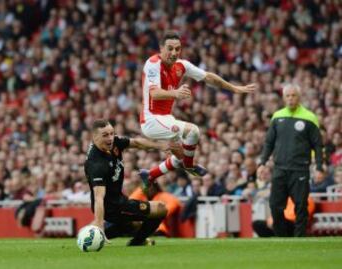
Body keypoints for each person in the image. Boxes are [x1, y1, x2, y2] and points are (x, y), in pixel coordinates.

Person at [139, 30, 256, 186]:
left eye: (177, 49)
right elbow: (154, 93)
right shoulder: (153, 63)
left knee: (181, 155)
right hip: (151, 119)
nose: (174, 52)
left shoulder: (182, 65)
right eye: (170, 48)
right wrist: (176, 93)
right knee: (193, 131)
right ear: (161, 48)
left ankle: (150, 175)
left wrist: (234, 88)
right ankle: (189, 166)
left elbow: (208, 77)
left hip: (166, 118)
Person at [85, 119, 173, 246]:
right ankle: (137, 241)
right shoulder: (96, 164)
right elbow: (99, 197)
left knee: (131, 224)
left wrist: (161, 146)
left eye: (111, 133)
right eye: (105, 135)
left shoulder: (114, 142)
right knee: (161, 209)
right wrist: (99, 225)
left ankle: (91, 237)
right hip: (112, 207)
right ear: (94, 136)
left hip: (119, 200)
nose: (110, 138)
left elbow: (136, 142)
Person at [257, 83, 324, 237]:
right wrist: (262, 163)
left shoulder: (309, 117)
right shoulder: (277, 116)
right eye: (288, 96)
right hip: (279, 169)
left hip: (300, 169)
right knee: (275, 205)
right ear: (284, 98)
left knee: (301, 206)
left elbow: (318, 146)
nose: (291, 99)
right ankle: (282, 238)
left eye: (293, 95)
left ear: (299, 97)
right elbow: (269, 143)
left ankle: (299, 238)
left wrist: (319, 167)